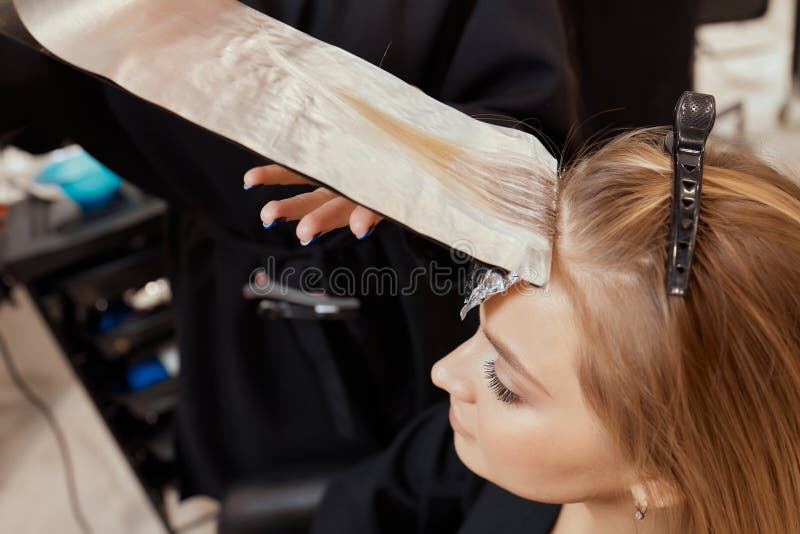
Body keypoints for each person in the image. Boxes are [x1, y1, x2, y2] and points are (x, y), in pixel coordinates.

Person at [0, 0, 575, 498]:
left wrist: (412, 164)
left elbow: (528, 127)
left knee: (441, 477)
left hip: (415, 273)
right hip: (247, 294)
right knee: (285, 494)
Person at [257, 127, 800, 533]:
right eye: (480, 333)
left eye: (505, 384)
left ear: (662, 470)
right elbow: (363, 508)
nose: (444, 372)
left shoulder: (504, 452)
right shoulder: (481, 455)